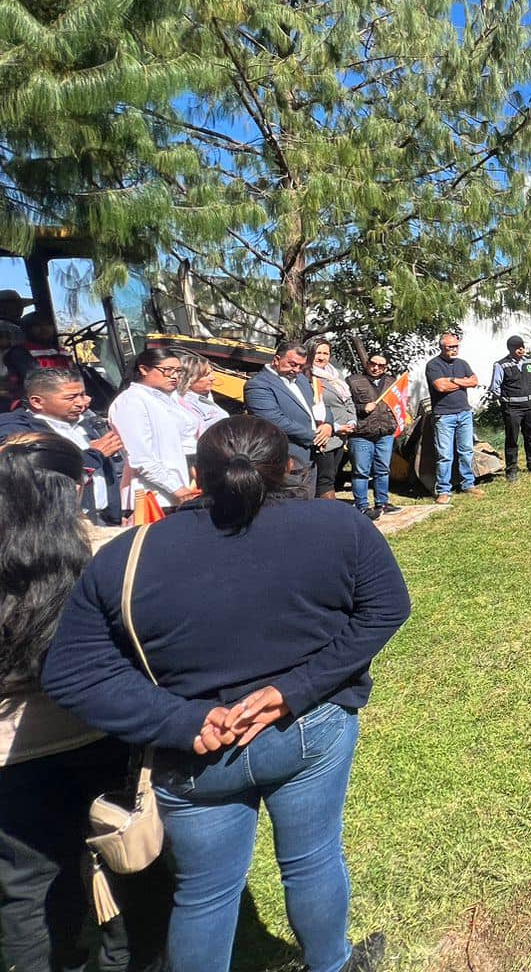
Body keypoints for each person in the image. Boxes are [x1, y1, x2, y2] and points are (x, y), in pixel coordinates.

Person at [42, 416, 411, 972]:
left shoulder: (127, 555)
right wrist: (294, 691)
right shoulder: (339, 525)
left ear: (199, 472)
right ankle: (332, 964)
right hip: (308, 729)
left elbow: (72, 671)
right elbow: (386, 608)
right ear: (288, 467)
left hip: (195, 751)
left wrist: (183, 721)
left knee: (205, 892)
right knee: (312, 860)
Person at [0, 433, 161, 972]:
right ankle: (127, 959)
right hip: (102, 734)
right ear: (77, 487)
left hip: (12, 759)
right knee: (126, 862)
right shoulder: (107, 553)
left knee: (27, 892)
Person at [0, 367, 126, 526]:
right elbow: (39, 476)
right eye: (71, 398)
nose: (81, 402)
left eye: (82, 394)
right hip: (59, 526)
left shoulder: (85, 423)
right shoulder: (17, 431)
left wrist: (116, 513)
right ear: (37, 401)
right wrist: (94, 455)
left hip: (103, 519)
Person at [110, 347, 201, 520]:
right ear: (144, 369)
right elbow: (140, 457)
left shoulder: (168, 398)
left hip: (182, 490)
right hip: (153, 496)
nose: (174, 376)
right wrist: (177, 489)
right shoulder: (131, 401)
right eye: (167, 370)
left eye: (178, 371)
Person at [243, 341, 325, 500]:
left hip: (309, 458)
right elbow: (274, 420)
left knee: (307, 507)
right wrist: (314, 436)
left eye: (301, 366)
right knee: (288, 509)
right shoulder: (257, 385)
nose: (296, 370)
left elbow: (318, 404)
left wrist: (327, 425)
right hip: (285, 458)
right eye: (292, 364)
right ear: (276, 360)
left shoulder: (300, 379)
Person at [427, 333, 482, 504]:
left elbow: (474, 381)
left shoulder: (462, 363)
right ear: (442, 347)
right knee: (444, 455)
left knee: (466, 450)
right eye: (450, 347)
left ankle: (468, 484)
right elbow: (440, 387)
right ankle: (444, 490)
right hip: (444, 416)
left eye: (456, 346)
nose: (454, 349)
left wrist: (452, 380)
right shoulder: (433, 365)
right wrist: (461, 382)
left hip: (464, 413)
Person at [347, 353, 400, 520]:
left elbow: (400, 403)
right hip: (361, 433)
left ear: (386, 367)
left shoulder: (392, 382)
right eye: (373, 363)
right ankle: (362, 506)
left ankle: (382, 502)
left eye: (381, 365)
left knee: (383, 470)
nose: (376, 368)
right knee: (361, 471)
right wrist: (362, 408)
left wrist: (397, 423)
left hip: (385, 432)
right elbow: (344, 405)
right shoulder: (353, 381)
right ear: (367, 363)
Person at [490, 336, 531, 481]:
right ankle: (511, 470)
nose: (521, 349)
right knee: (512, 439)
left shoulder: (530, 362)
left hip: (530, 406)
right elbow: (495, 387)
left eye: (522, 346)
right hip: (512, 408)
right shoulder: (501, 365)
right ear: (510, 349)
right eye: (517, 347)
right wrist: (506, 400)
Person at [307, 339, 357, 500]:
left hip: (341, 437)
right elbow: (312, 408)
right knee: (324, 480)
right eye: (318, 353)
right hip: (325, 436)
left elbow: (347, 401)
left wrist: (351, 421)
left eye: (325, 353)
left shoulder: (335, 375)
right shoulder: (308, 377)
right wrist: (335, 427)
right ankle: (328, 516)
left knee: (332, 476)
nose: (322, 357)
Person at [173, 355, 229, 453]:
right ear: (189, 379)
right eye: (206, 375)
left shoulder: (205, 396)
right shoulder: (184, 404)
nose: (213, 378)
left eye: (212, 372)